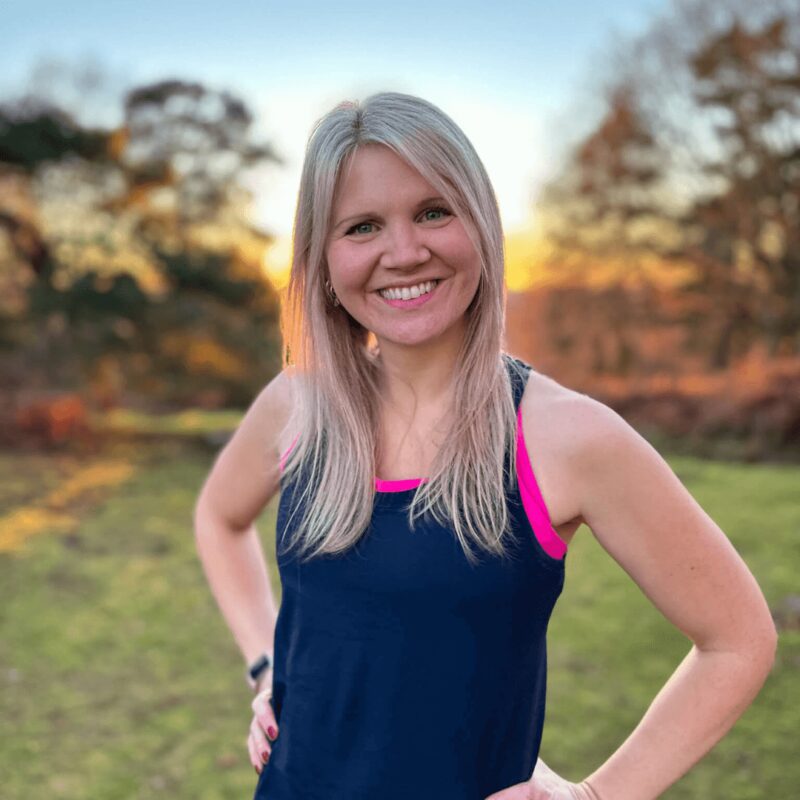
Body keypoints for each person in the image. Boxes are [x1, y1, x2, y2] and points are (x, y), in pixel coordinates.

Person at [193, 91, 778, 800]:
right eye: (362, 226)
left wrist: (598, 795)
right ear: (320, 259)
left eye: (434, 211)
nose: (404, 253)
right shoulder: (298, 405)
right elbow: (220, 521)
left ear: (482, 222)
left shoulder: (565, 436)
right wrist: (265, 670)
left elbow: (739, 639)